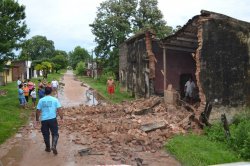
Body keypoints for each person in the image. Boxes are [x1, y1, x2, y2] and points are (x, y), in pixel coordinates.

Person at [36, 87, 63, 155]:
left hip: (44, 120)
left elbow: (38, 111)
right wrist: (62, 118)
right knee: (55, 134)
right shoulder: (55, 99)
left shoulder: (41, 100)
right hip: (52, 119)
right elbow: (59, 109)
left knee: (46, 134)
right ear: (51, 92)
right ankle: (53, 146)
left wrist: (37, 120)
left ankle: (48, 148)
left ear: (45, 92)